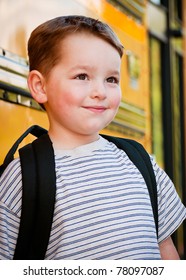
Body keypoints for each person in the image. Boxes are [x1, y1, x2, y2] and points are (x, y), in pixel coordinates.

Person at [0, 15, 186, 260]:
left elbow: (166, 252)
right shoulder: (21, 179)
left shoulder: (141, 163)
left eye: (111, 79)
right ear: (40, 86)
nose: (100, 92)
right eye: (82, 77)